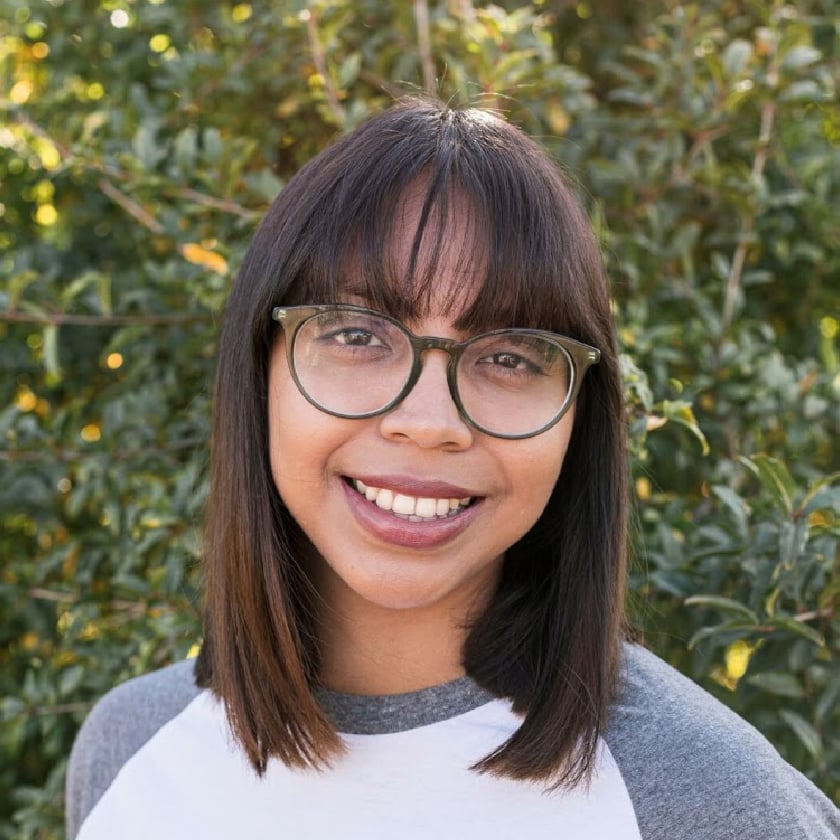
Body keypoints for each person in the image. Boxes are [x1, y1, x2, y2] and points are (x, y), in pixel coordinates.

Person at [65, 101, 840, 839]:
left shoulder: (704, 800)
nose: (430, 423)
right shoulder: (130, 750)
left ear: (579, 416)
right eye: (357, 335)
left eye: (509, 357)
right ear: (258, 369)